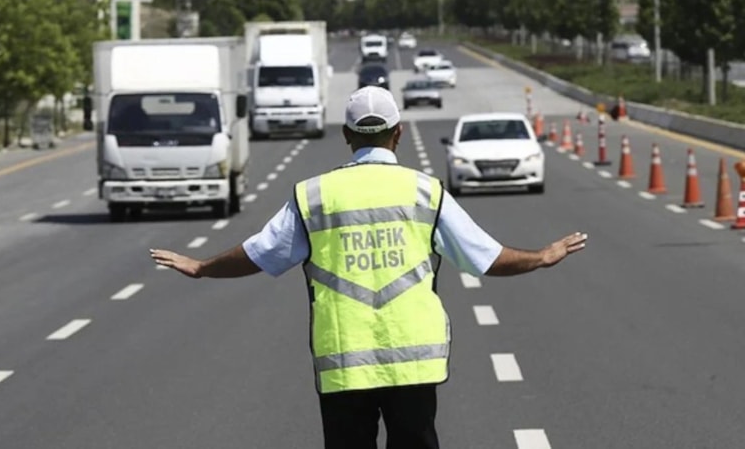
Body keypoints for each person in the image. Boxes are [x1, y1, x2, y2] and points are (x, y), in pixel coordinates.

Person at [150, 86, 588, 449]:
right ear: (398, 133)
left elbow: (260, 253)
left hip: (344, 364)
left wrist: (202, 266)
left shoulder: (314, 196)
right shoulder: (424, 192)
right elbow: (485, 257)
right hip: (414, 363)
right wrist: (541, 257)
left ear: (346, 135)